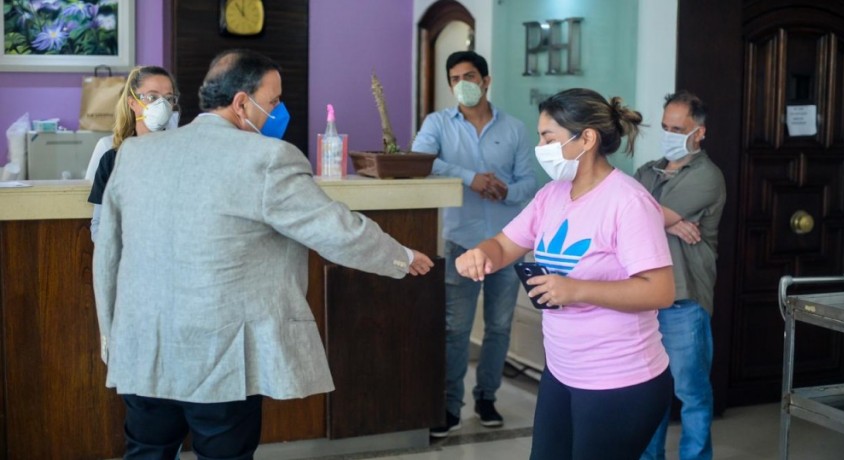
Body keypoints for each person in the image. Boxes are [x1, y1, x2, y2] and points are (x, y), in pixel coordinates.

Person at [91, 49, 435, 459]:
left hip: (143, 343)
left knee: (146, 451)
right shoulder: (267, 158)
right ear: (241, 103)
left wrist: (111, 332)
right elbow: (335, 230)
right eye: (272, 101)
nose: (278, 111)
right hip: (219, 358)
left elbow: (108, 250)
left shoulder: (134, 154)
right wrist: (399, 257)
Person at [455, 88, 676, 459]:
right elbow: (505, 245)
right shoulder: (551, 195)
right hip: (562, 371)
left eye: (548, 137)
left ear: (586, 138)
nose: (540, 147)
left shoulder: (628, 202)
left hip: (620, 379)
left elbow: (660, 290)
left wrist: (576, 290)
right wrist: (480, 254)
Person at [411, 50, 538, 437]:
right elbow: (420, 159)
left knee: (499, 327)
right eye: (454, 79)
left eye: (469, 76)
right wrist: (470, 177)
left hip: (507, 242)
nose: (462, 84)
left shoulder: (514, 128)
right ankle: (449, 406)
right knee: (455, 328)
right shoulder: (438, 123)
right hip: (461, 242)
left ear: (486, 80)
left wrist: (507, 192)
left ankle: (487, 398)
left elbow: (530, 182)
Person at [635, 91, 726, 460]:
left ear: (699, 132)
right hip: (643, 296)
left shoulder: (707, 176)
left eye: (678, 129)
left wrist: (653, 218)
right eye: (665, 127)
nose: (669, 134)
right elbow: (623, 219)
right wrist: (671, 224)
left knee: (691, 392)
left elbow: (636, 216)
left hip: (684, 299)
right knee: (650, 391)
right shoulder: (647, 171)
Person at [85, 65, 180, 241]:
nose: (162, 105)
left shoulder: (182, 158)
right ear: (133, 102)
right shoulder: (112, 159)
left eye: (169, 99)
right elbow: (99, 225)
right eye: (152, 97)